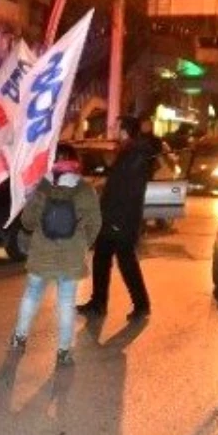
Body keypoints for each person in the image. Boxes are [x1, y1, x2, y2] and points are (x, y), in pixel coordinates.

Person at [10, 144, 101, 367]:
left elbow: (28, 222)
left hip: (42, 252)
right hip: (70, 256)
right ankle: (63, 351)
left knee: (31, 295)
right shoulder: (85, 189)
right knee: (66, 303)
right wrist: (82, 244)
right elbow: (95, 223)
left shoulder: (42, 186)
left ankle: (19, 338)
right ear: (75, 161)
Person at [78, 116, 154, 321]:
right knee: (103, 259)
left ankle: (140, 304)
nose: (112, 129)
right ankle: (99, 303)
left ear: (124, 131)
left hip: (121, 219)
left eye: (116, 126)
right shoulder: (129, 152)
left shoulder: (135, 154)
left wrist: (116, 218)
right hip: (114, 217)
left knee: (126, 262)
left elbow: (127, 190)